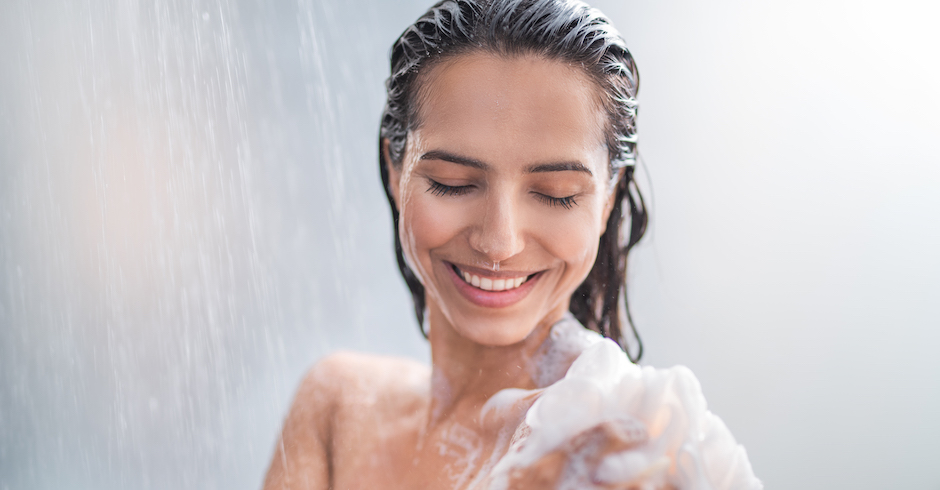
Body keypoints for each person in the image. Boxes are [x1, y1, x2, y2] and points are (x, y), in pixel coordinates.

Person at [263, 1, 760, 489]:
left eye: (555, 194)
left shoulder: (636, 445)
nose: (498, 242)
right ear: (396, 172)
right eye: (453, 183)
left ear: (608, 199)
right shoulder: (337, 407)